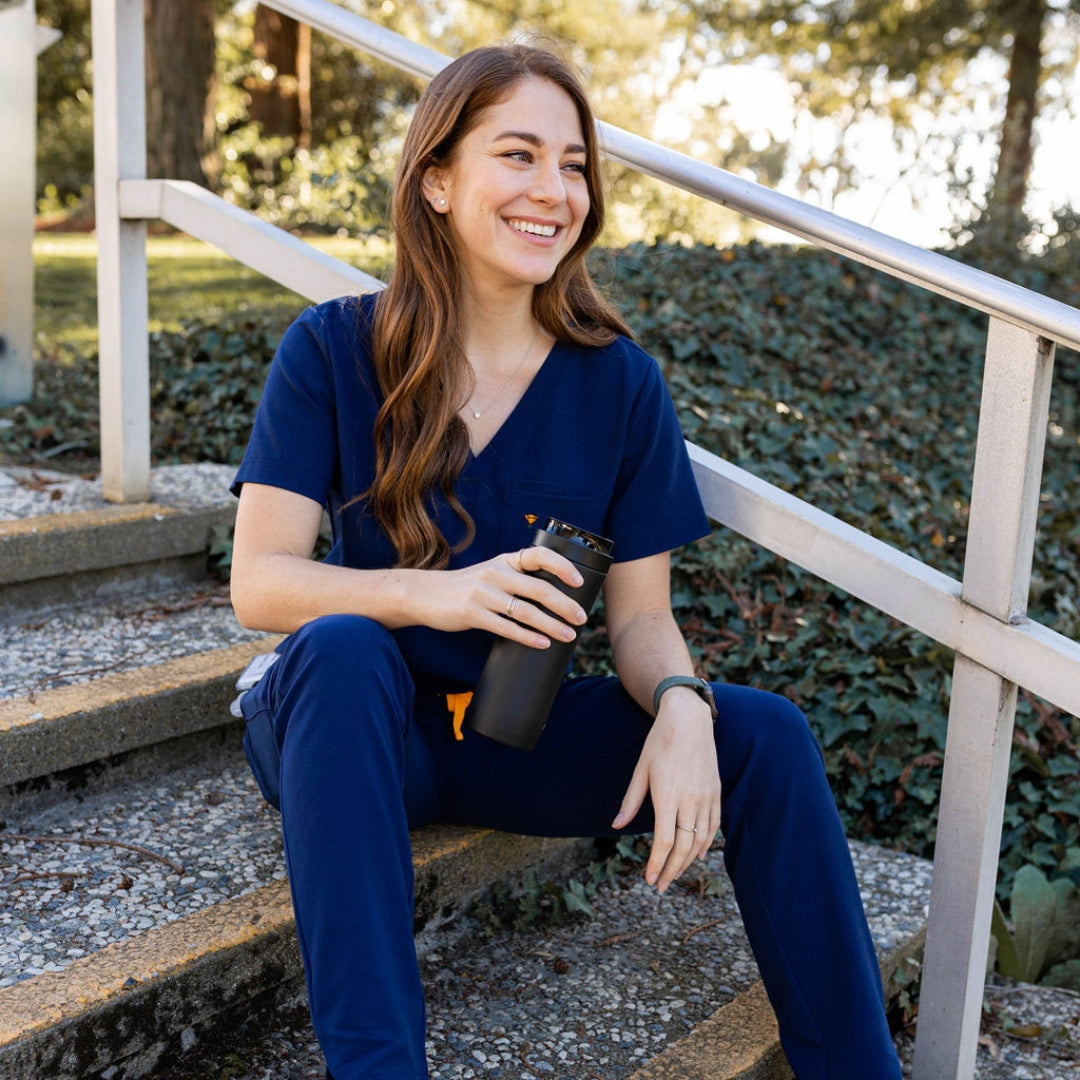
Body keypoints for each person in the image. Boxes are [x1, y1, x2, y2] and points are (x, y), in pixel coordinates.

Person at [229, 42, 903, 1080]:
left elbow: (637, 616)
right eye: (520, 156)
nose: (555, 190)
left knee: (760, 731)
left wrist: (682, 703)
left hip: (510, 730)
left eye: (575, 164)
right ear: (440, 182)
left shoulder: (619, 384)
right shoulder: (329, 349)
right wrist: (440, 596)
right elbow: (261, 583)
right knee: (347, 654)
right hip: (349, 733)